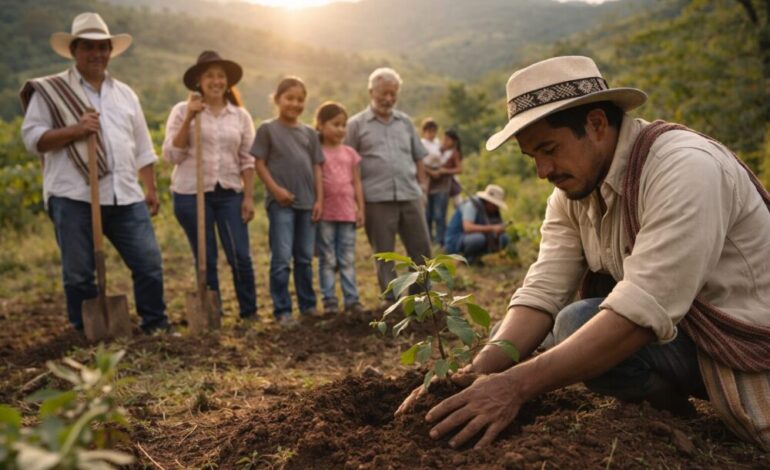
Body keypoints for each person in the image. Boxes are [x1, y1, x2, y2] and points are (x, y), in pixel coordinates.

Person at [397, 56, 770, 451]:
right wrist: (475, 373)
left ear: (596, 124)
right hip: (686, 334)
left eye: (549, 149)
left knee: (576, 323)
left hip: (747, 343)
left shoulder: (684, 168)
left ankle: (684, 427)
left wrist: (514, 386)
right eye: (533, 157)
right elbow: (542, 291)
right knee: (530, 335)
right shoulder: (573, 193)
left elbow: (643, 309)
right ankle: (674, 422)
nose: (542, 171)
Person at [20, 12, 169, 334]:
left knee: (148, 263)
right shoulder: (51, 91)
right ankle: (85, 332)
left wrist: (151, 188)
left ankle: (155, 325)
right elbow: (33, 139)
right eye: (88, 46)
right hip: (73, 195)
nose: (96, 53)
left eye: (102, 47)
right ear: (74, 50)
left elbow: (143, 147)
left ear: (110, 52)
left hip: (125, 194)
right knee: (78, 274)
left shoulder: (125, 94)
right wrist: (76, 130)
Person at [162, 51, 257, 321]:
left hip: (229, 193)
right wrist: (190, 118)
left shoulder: (240, 116)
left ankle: (249, 313)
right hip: (191, 194)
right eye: (209, 76)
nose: (216, 81)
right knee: (206, 257)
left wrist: (248, 197)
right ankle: (212, 314)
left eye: (221, 76)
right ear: (199, 82)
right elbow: (171, 155)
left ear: (228, 82)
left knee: (240, 254)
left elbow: (247, 159)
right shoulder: (182, 111)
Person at [345, 67, 432, 301]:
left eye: (393, 93)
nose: (388, 98)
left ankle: (421, 302)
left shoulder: (405, 122)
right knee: (385, 256)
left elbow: (419, 157)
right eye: (384, 93)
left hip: (410, 195)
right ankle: (392, 305)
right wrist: (355, 202)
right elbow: (347, 164)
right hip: (376, 199)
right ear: (371, 92)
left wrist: (423, 189)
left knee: (422, 251)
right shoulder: (356, 125)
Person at [251, 77, 323, 326]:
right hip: (281, 204)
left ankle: (308, 306)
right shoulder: (268, 129)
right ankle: (282, 310)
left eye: (300, 99)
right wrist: (276, 190)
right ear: (277, 99)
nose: (295, 103)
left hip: (307, 203)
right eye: (289, 98)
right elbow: (259, 163)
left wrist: (319, 200)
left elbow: (317, 167)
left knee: (304, 258)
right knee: (281, 258)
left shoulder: (310, 133)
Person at [314, 102, 366, 315]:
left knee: (347, 258)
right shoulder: (317, 153)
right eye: (335, 124)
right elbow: (317, 180)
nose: (341, 129)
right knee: (327, 258)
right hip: (326, 214)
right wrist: (318, 203)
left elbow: (357, 182)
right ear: (320, 125)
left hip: (347, 213)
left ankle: (352, 299)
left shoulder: (350, 153)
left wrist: (361, 208)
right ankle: (329, 301)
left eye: (344, 125)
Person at [444, 184, 507, 263]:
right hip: (456, 240)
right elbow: (468, 228)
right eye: (495, 205)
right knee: (478, 239)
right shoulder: (471, 205)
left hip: (473, 237)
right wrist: (493, 228)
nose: (497, 208)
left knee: (503, 238)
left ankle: (476, 257)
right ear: (489, 202)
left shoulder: (493, 211)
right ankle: (466, 258)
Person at [425, 129, 463, 247]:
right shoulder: (438, 150)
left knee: (439, 215)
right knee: (428, 214)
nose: (444, 141)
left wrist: (444, 171)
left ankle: (440, 241)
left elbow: (459, 169)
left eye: (447, 139)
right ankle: (428, 239)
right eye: (444, 138)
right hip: (431, 186)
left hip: (443, 187)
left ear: (453, 141)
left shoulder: (454, 153)